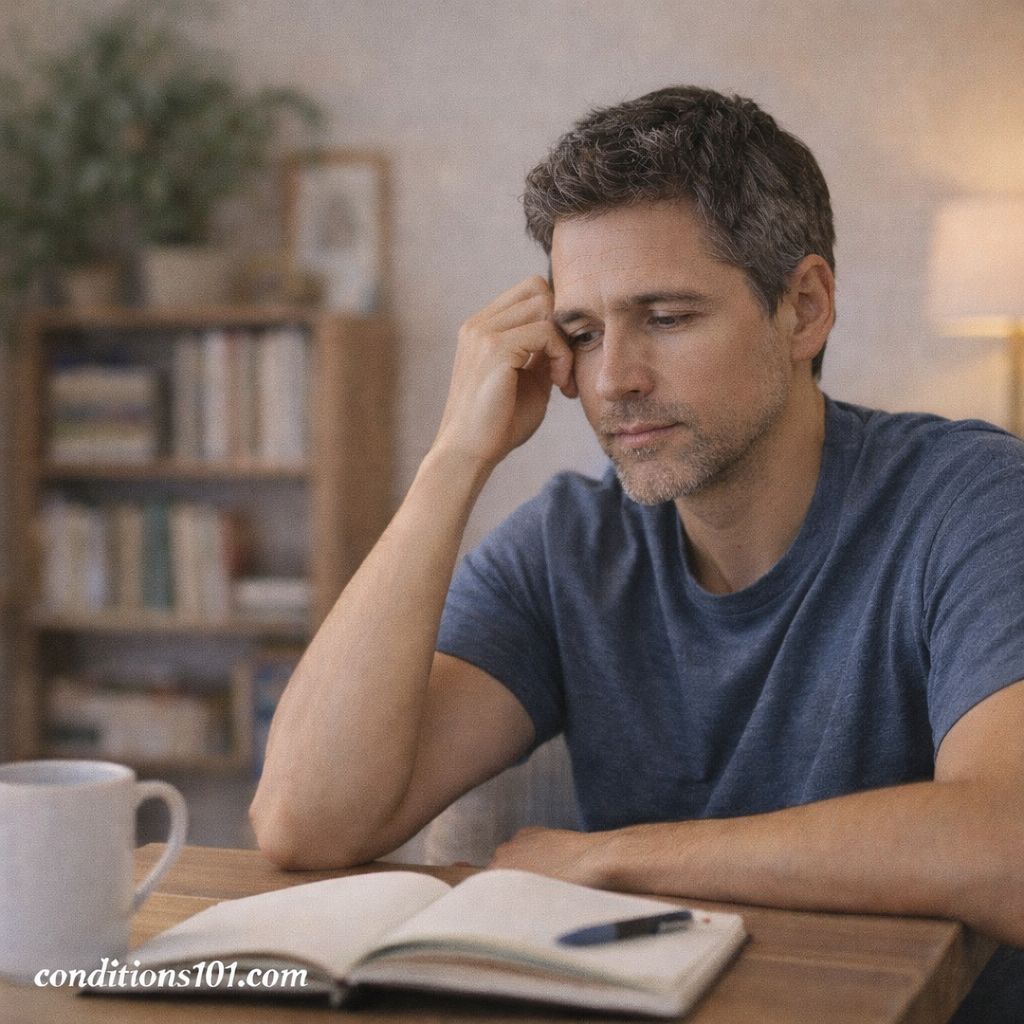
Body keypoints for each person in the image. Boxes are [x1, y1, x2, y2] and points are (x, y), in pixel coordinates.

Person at [250, 86, 1024, 1020]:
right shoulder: (569, 543)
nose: (613, 379)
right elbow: (305, 822)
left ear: (804, 309)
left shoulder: (972, 500)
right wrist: (454, 458)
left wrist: (611, 854)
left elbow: (1008, 843)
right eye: (582, 331)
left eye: (666, 316)